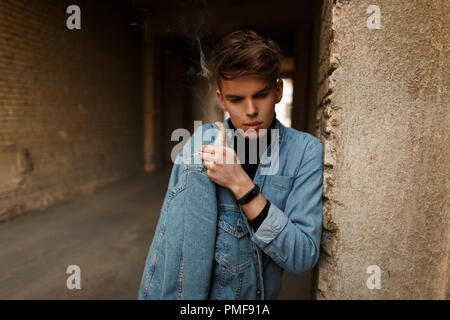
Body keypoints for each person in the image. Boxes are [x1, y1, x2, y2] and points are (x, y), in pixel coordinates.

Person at [138, 30, 323, 300]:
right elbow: (175, 259)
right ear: (221, 100)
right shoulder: (200, 147)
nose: (250, 111)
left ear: (278, 91)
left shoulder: (305, 151)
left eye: (260, 95)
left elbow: (302, 258)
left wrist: (241, 185)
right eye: (236, 100)